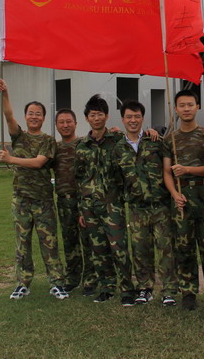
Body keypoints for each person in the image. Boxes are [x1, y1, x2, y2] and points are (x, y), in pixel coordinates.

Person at [0, 78, 68, 301]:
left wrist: (11, 159)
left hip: (43, 201)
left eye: (38, 114)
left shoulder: (48, 140)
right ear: (26, 116)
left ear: (43, 118)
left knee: (49, 243)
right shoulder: (19, 136)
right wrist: (5, 93)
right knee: (22, 243)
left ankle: (56, 283)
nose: (34, 116)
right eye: (30, 113)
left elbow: (38, 162)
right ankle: (23, 283)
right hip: (21, 200)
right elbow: (8, 115)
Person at [113, 100, 177, 306]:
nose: (133, 120)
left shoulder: (155, 141)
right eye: (129, 117)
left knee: (165, 248)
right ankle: (144, 288)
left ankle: (168, 290)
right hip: (136, 208)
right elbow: (118, 179)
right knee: (141, 250)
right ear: (123, 120)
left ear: (142, 118)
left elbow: (167, 169)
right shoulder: (118, 148)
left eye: (137, 116)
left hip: (160, 206)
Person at [74, 94, 136, 306]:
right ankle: (107, 288)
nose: (96, 118)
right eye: (92, 115)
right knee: (98, 250)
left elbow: (134, 147)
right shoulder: (81, 146)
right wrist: (81, 210)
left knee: (119, 248)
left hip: (112, 205)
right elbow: (79, 179)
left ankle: (127, 289)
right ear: (87, 118)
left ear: (107, 116)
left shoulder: (117, 140)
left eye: (100, 114)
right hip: (90, 207)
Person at [162, 89, 204, 311]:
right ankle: (188, 292)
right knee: (184, 246)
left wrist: (187, 169)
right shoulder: (170, 139)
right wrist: (175, 194)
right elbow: (167, 171)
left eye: (190, 105)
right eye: (182, 105)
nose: (186, 109)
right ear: (176, 109)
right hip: (181, 196)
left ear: (198, 107)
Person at [52, 108, 97, 295]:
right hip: (64, 201)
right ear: (56, 126)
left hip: (84, 199)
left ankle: (90, 280)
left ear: (76, 123)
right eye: (61, 122)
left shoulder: (85, 144)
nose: (65, 125)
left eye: (68, 121)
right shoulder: (54, 148)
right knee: (69, 241)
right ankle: (72, 278)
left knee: (88, 240)